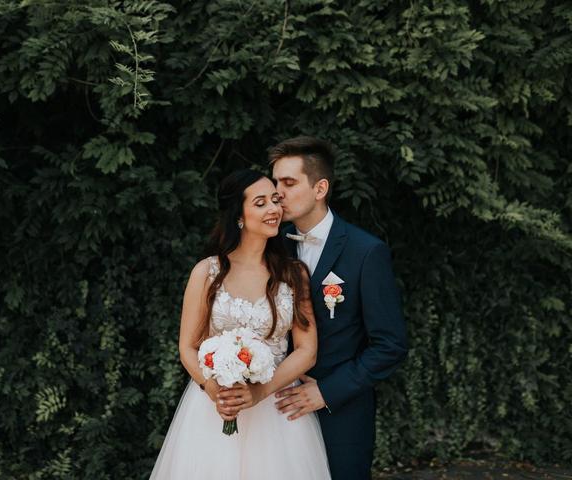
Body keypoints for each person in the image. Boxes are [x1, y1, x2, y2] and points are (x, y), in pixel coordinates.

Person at [149, 169, 331, 479]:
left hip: (277, 407)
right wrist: (213, 389)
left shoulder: (293, 273)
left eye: (275, 200)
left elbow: (306, 350)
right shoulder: (207, 272)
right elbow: (188, 346)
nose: (273, 209)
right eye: (260, 203)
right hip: (215, 407)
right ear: (239, 216)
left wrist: (260, 392)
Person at [268, 136, 409, 479]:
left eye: (289, 183)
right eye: (275, 183)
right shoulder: (271, 247)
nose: (277, 193)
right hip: (276, 412)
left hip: (341, 415)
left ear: (320, 188)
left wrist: (326, 391)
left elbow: (390, 345)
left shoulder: (366, 252)